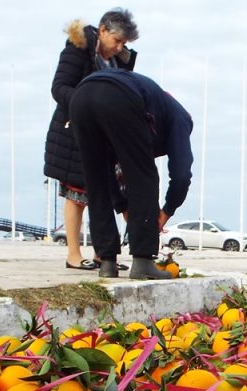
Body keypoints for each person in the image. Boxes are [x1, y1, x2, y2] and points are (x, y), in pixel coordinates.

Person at [70, 68, 193, 280]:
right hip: (119, 95)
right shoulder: (181, 119)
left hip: (80, 97)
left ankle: (106, 262)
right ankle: (143, 261)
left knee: (96, 179)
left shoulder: (157, 106)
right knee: (144, 176)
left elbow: (108, 175)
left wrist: (123, 205)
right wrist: (166, 212)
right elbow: (181, 175)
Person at [44, 8, 139, 271]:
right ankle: (73, 254)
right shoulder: (78, 47)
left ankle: (103, 254)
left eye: (124, 43)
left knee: (106, 194)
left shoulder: (118, 60)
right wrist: (86, 106)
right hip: (74, 131)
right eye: (117, 41)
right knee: (77, 194)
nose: (119, 47)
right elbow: (59, 86)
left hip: (105, 136)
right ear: (103, 30)